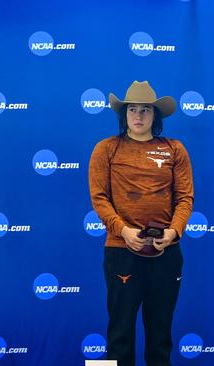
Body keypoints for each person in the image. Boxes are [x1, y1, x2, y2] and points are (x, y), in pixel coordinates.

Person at [88, 81, 194, 366]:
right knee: (119, 334)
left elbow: (185, 199)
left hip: (166, 253)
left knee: (160, 337)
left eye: (145, 110)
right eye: (132, 109)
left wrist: (173, 232)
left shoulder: (175, 149)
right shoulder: (106, 149)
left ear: (155, 115)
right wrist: (123, 230)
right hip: (121, 251)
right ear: (124, 115)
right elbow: (99, 198)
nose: (138, 116)